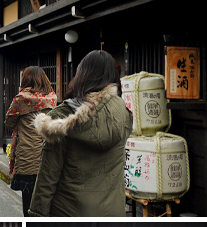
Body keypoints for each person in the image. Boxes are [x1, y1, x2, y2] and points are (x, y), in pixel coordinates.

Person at [28, 50, 133, 216]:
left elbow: (48, 175)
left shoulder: (62, 118)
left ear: (81, 75)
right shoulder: (123, 114)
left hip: (69, 213)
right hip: (113, 213)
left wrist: (37, 215)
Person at [5, 66, 57, 215]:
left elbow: (9, 123)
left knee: (28, 204)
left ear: (26, 79)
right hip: (48, 156)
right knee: (46, 202)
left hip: (27, 157)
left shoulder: (21, 99)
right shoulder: (52, 98)